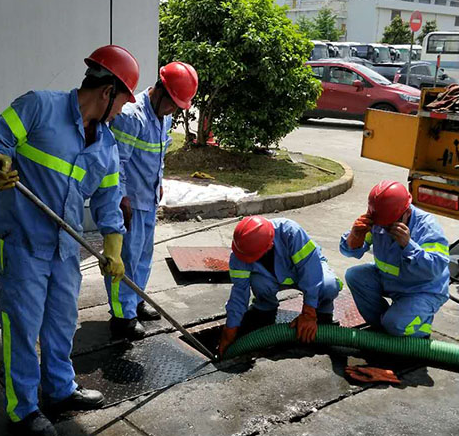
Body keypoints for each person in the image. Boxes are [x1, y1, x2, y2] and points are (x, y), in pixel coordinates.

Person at [0, 45, 139, 436]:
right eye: (122, 102)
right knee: (22, 325)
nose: (120, 112)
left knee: (62, 322)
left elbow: (108, 201)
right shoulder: (38, 107)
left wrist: (113, 247)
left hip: (65, 249)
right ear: (107, 92)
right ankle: (23, 411)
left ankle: (60, 389)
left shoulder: (106, 145)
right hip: (24, 241)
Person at [104, 62, 198, 340]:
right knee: (126, 259)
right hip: (130, 203)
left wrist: (160, 183)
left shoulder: (163, 117)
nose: (173, 111)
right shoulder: (131, 116)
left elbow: (158, 155)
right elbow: (116, 163)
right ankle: (122, 316)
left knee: (143, 257)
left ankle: (136, 300)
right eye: (173, 105)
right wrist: (121, 197)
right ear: (160, 91)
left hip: (148, 199)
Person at [218, 216, 342, 357]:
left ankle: (323, 315)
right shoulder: (241, 253)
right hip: (272, 277)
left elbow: (310, 270)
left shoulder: (290, 232)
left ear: (270, 245)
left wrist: (309, 313)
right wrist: (230, 329)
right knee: (259, 282)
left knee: (328, 286)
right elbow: (239, 293)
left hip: (305, 270)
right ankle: (265, 310)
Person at [340, 180, 449, 338]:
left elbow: (435, 269)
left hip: (421, 289)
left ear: (407, 212)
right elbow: (351, 251)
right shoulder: (379, 219)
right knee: (355, 275)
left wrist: (408, 246)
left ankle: (419, 330)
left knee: (395, 324)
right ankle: (381, 328)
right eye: (382, 224)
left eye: (390, 224)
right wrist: (354, 237)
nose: (384, 228)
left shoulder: (427, 226)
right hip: (392, 281)